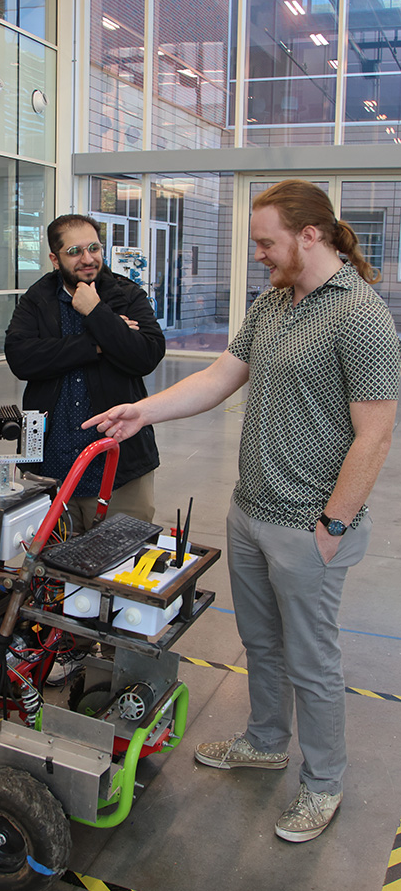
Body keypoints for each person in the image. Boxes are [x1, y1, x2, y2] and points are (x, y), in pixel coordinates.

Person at [83, 180, 400, 843]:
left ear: (309, 234)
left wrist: (334, 525)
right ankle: (264, 741)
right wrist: (144, 411)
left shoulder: (361, 315)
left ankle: (323, 784)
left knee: (311, 659)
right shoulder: (275, 302)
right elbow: (221, 375)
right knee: (260, 644)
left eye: (266, 241)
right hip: (250, 510)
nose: (258, 253)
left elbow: (374, 433)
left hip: (309, 526)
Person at [4, 214, 165, 534]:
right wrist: (98, 344)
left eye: (94, 248)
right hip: (49, 468)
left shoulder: (126, 294)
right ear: (54, 258)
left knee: (119, 570)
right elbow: (21, 358)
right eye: (75, 251)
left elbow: (146, 354)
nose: (88, 258)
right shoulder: (38, 299)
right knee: (49, 574)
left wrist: (96, 311)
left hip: (119, 470)